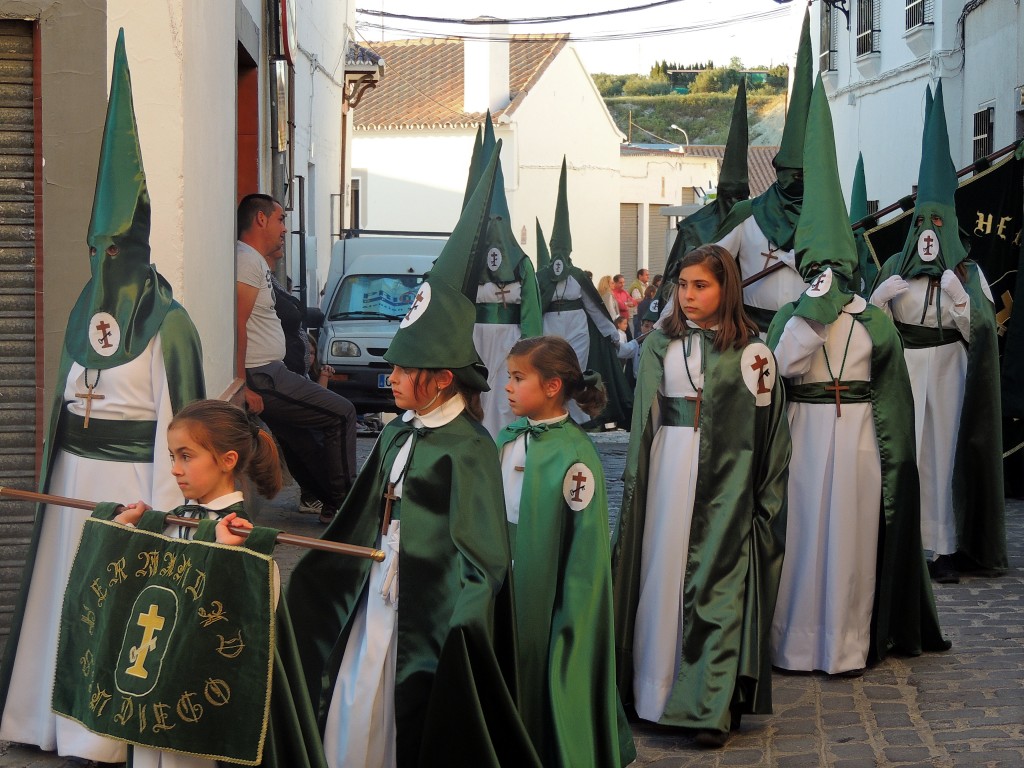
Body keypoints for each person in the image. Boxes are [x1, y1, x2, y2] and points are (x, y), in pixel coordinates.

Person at [287, 151, 538, 768]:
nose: (391, 377)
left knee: (411, 697)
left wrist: (468, 616)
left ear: (443, 378)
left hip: (429, 604)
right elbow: (357, 517)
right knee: (360, 683)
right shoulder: (396, 435)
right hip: (377, 583)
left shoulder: (471, 448)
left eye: (404, 369)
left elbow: (483, 550)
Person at [0, 32, 205, 764]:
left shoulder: (171, 325)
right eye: (97, 248)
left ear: (139, 249)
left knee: (115, 606)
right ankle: (43, 719)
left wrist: (170, 511)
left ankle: (102, 735)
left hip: (130, 490)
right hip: (72, 484)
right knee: (61, 597)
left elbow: (184, 424)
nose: (104, 261)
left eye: (115, 248)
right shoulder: (81, 312)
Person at [767, 77, 949, 676]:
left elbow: (892, 397)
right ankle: (796, 643)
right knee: (803, 539)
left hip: (861, 442)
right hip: (804, 434)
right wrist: (812, 314)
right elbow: (781, 370)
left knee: (851, 540)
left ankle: (846, 643)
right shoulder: (792, 320)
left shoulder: (875, 320)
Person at [612, 244, 790, 748]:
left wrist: (759, 500)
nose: (688, 295)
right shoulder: (658, 345)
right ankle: (653, 692)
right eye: (683, 285)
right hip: (668, 470)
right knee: (663, 572)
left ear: (725, 288)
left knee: (716, 584)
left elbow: (769, 434)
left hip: (725, 483)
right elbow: (644, 422)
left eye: (701, 286)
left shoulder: (753, 353)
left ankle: (708, 703)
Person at [103, 400, 326, 768]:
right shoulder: (175, 522)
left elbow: (252, 620)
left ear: (227, 460)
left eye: (186, 456)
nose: (175, 469)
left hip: (202, 700)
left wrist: (229, 557)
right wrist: (125, 531)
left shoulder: (243, 535)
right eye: (172, 456)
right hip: (156, 680)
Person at [870, 81, 1006, 583]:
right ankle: (902, 545)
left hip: (950, 367)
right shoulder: (893, 269)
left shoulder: (969, 273)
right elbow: (870, 334)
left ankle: (944, 547)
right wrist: (878, 304)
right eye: (922, 219)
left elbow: (984, 334)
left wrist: (960, 299)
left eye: (937, 220)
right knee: (904, 451)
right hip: (904, 367)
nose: (929, 229)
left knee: (943, 453)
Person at [496, 336, 635, 767]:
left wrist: (572, 621)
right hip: (504, 583)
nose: (508, 387)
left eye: (518, 378)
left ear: (552, 386)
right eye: (509, 377)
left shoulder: (574, 454)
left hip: (547, 595)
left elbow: (584, 552)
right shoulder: (508, 438)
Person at [235, 193, 357, 523]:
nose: (284, 229)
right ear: (261, 219)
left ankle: (330, 504)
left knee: (302, 439)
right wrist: (243, 385)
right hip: (263, 374)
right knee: (342, 412)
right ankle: (347, 506)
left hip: (269, 371)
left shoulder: (253, 260)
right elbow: (236, 322)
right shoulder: (246, 259)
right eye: (281, 219)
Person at [712, 11, 812, 335]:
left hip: (809, 334)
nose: (795, 179)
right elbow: (713, 266)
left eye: (802, 173)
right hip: (752, 335)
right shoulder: (748, 215)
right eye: (789, 172)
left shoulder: (825, 220)